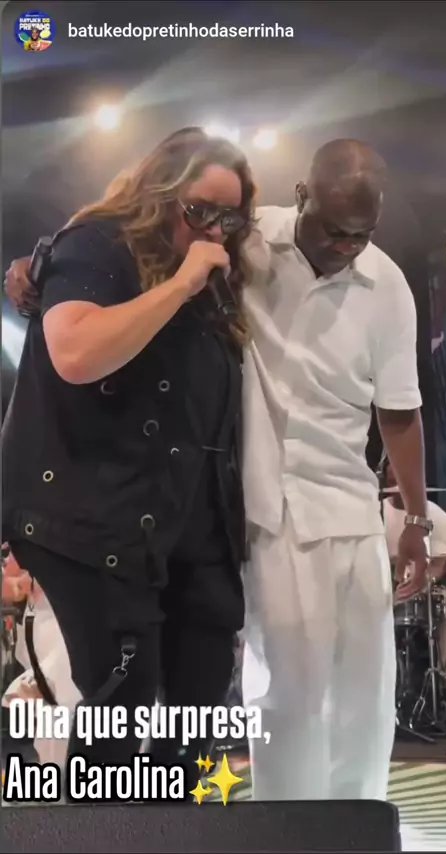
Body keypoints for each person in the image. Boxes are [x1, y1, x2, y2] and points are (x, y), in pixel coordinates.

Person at [2, 126, 255, 794]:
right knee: (122, 699)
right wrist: (182, 284)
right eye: (199, 211)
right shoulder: (96, 246)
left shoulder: (223, 279)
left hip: (188, 522)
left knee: (200, 700)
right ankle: (101, 833)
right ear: (159, 193)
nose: (214, 230)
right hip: (93, 514)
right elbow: (75, 353)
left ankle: (177, 829)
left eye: (229, 219)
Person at [239, 139, 431, 800]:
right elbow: (146, 231)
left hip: (350, 508)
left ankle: (357, 828)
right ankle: (287, 832)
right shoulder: (247, 242)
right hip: (269, 512)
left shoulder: (388, 286)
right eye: (334, 230)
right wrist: (48, 261)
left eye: (361, 233)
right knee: (285, 695)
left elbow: (399, 412)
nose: (347, 246)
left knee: (363, 698)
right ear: (302, 196)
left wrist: (415, 520)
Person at [2, 550, 81, 769]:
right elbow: (9, 585)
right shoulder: (26, 540)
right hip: (48, 624)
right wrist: (18, 583)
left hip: (85, 624)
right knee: (55, 710)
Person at [382, 458, 446, 681]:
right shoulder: (374, 513)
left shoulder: (437, 516)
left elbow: (441, 563)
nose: (396, 484)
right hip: (383, 590)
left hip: (423, 592)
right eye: (392, 479)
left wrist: (420, 583)